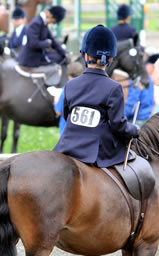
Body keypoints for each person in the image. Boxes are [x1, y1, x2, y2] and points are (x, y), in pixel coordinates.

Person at [53, 25, 138, 168]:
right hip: (97, 153)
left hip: (67, 146)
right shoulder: (114, 88)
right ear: (111, 59)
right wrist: (135, 130)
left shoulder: (70, 85)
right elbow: (118, 126)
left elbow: (67, 117)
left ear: (85, 55)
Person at [124, 54, 157, 126]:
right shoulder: (149, 78)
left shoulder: (137, 78)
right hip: (146, 117)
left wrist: (122, 116)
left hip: (136, 119)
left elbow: (133, 103)